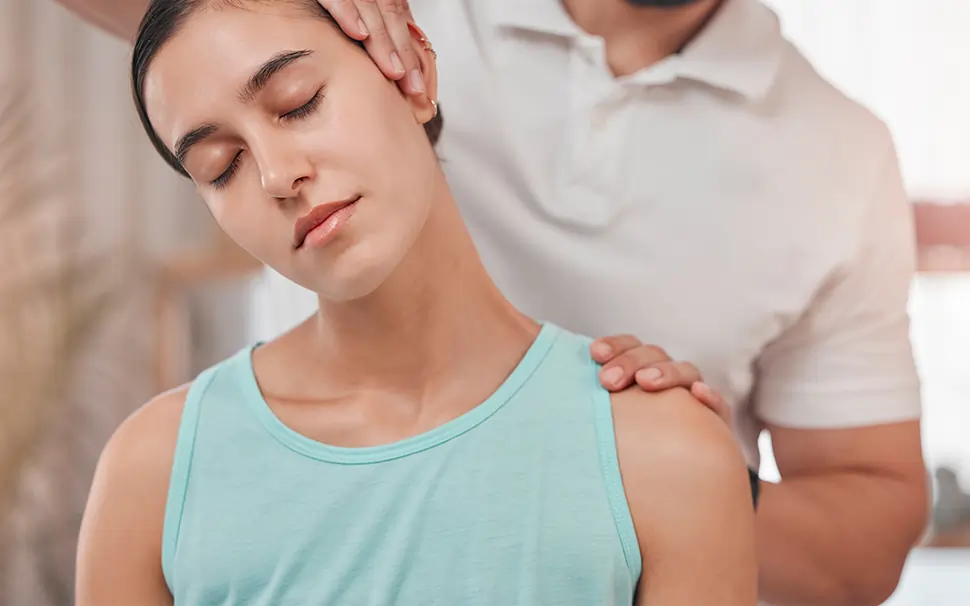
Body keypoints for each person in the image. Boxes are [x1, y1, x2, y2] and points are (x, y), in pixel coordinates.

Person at [56, 0, 929, 604]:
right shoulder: (157, 470)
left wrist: (661, 476)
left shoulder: (838, 155)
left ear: (416, 79)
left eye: (301, 104)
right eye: (219, 168)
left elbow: (870, 533)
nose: (279, 175)